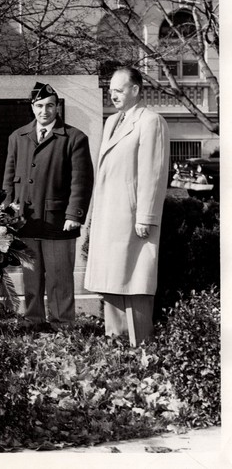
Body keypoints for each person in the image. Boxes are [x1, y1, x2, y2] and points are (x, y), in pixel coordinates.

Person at [84, 67, 170, 346]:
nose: (113, 96)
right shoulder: (111, 122)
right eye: (111, 91)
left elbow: (153, 173)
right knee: (111, 286)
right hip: (109, 219)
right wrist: (94, 217)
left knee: (135, 286)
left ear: (136, 89)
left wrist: (146, 216)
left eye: (119, 90)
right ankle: (116, 350)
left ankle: (141, 351)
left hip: (133, 220)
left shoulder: (151, 121)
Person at [3, 82, 94, 330]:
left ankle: (62, 324)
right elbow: (9, 179)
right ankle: (33, 322)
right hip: (26, 220)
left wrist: (74, 214)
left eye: (50, 106)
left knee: (59, 278)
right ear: (33, 107)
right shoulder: (18, 137)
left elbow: (81, 180)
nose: (45, 111)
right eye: (40, 106)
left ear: (57, 107)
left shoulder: (74, 138)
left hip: (58, 222)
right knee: (31, 279)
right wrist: (6, 215)